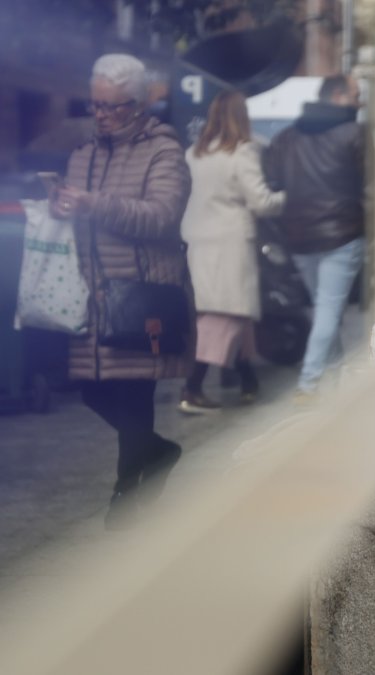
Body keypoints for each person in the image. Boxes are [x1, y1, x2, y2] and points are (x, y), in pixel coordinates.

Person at [51, 53, 192, 529]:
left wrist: (94, 204)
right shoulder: (82, 154)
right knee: (93, 391)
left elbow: (161, 216)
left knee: (133, 397)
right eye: (95, 105)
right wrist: (62, 207)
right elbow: (80, 218)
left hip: (141, 296)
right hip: (92, 296)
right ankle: (159, 454)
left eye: (112, 106)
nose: (102, 115)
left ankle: (124, 501)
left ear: (137, 104)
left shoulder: (163, 151)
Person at [179, 91, 285, 413]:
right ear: (242, 117)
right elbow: (261, 202)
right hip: (230, 242)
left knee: (218, 307)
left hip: (197, 240)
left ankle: (247, 380)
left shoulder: (193, 154)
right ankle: (193, 388)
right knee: (227, 313)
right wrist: (288, 198)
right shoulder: (242, 152)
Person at [264, 75, 365, 399]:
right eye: (355, 95)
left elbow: (273, 180)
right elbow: (373, 181)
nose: (359, 102)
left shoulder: (285, 137)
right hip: (343, 234)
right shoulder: (355, 133)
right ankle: (308, 386)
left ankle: (335, 381)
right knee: (327, 311)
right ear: (337, 96)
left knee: (327, 311)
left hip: (298, 236)